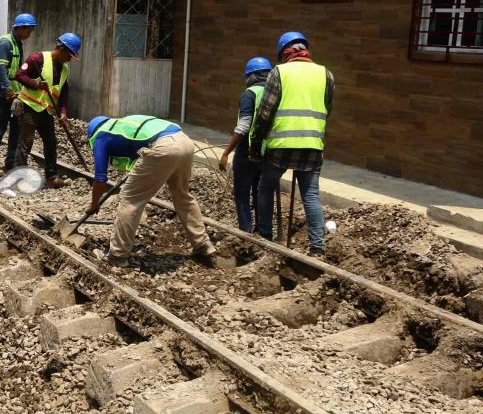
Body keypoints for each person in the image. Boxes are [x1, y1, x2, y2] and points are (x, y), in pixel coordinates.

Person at [85, 115, 216, 267]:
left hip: (164, 147)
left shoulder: (100, 137)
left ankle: (117, 254)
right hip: (185, 141)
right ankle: (202, 244)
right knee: (182, 195)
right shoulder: (123, 125)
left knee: (130, 198)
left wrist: (94, 203)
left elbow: (100, 178)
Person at [249, 31, 335, 255]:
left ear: (283, 54)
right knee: (311, 195)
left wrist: (256, 144)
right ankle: (317, 248)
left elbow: (265, 112)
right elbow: (327, 109)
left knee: (265, 188)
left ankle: (265, 236)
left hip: (281, 145)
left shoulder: (279, 72)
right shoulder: (326, 74)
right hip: (312, 146)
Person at [13, 33, 81, 189]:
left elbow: (64, 91)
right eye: (69, 55)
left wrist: (63, 110)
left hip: (46, 111)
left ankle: (51, 177)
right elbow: (19, 75)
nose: (70, 59)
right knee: (26, 142)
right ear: (61, 49)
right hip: (29, 107)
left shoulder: (65, 69)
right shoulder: (37, 59)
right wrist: (36, 85)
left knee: (51, 142)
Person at [219, 57, 272, 233]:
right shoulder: (276, 94)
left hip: (248, 151)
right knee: (261, 193)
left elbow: (243, 126)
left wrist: (226, 153)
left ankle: (246, 232)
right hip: (268, 152)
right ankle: (262, 231)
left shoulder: (249, 94)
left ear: (251, 76)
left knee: (242, 193)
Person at [0, 13, 36, 169]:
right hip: (4, 93)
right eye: (28, 31)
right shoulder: (5, 43)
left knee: (16, 128)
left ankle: (11, 162)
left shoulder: (18, 43)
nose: (29, 34)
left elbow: (17, 70)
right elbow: (1, 68)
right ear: (20, 28)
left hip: (14, 93)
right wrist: (8, 89)